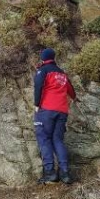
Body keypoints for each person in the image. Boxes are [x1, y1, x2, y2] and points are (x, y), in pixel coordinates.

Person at [33, 48, 76, 184]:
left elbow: (38, 86)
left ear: (43, 58)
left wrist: (36, 104)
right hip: (62, 111)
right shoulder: (61, 73)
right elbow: (71, 91)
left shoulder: (43, 70)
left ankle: (50, 172)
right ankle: (65, 173)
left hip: (46, 110)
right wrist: (75, 98)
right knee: (57, 140)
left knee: (44, 138)